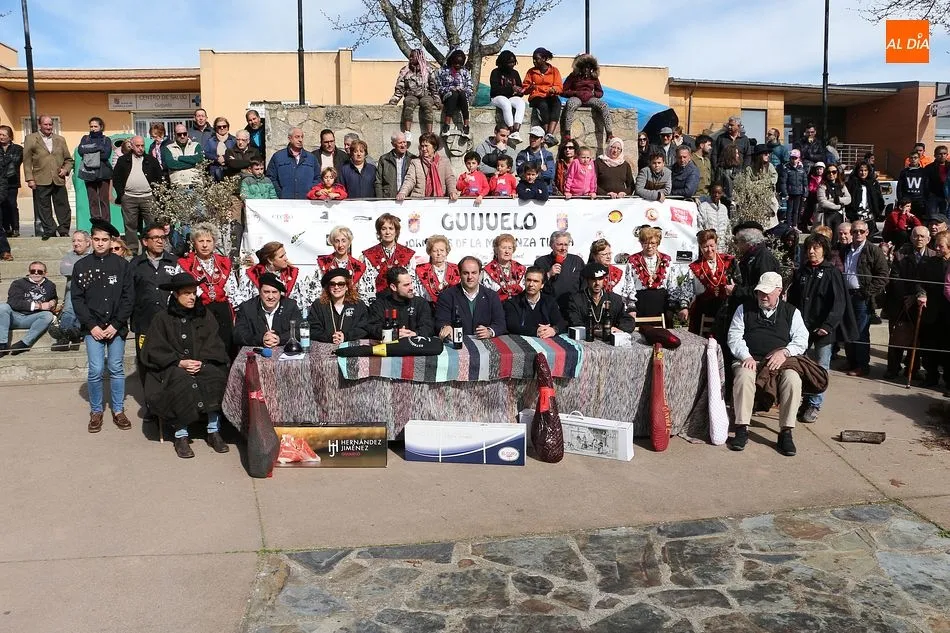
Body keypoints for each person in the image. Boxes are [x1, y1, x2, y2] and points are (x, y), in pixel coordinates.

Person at [141, 273, 230, 459]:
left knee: (214, 376)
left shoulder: (204, 315)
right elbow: (154, 348)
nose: (192, 297)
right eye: (187, 293)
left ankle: (213, 430)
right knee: (180, 381)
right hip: (172, 366)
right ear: (175, 295)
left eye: (194, 293)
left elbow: (213, 342)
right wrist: (179, 362)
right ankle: (181, 435)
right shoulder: (162, 318)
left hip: (202, 363)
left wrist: (202, 362)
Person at [727, 271, 809, 456]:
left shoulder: (791, 312)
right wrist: (746, 356)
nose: (763, 296)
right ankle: (741, 428)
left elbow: (801, 340)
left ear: (779, 291)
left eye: (767, 292)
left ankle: (786, 431)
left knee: (793, 379)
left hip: (780, 361)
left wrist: (785, 352)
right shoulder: (743, 309)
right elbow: (734, 337)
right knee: (744, 376)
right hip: (750, 358)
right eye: (760, 292)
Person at [71, 219, 134, 433]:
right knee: (96, 369)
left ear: (110, 241)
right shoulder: (81, 266)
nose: (100, 243)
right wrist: (91, 325)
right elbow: (77, 299)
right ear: (91, 240)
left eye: (104, 240)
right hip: (93, 327)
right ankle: (96, 411)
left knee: (116, 368)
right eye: (96, 239)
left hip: (116, 326)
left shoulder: (122, 265)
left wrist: (116, 324)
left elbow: (128, 298)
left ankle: (118, 410)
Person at [786, 233, 848, 423]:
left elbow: (839, 303)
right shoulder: (802, 272)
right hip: (802, 328)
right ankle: (804, 400)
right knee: (800, 365)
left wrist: (827, 326)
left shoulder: (832, 272)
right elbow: (793, 300)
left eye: (816, 248)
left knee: (821, 367)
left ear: (824, 250)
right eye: (809, 248)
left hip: (823, 329)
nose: (811, 251)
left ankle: (814, 404)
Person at [129, 222, 180, 387]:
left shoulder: (174, 262)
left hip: (171, 323)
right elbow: (129, 294)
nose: (160, 241)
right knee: (146, 362)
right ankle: (150, 398)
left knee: (171, 362)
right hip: (144, 323)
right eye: (155, 238)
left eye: (163, 237)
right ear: (145, 241)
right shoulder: (135, 265)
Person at [884, 226, 932, 380]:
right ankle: (892, 368)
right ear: (911, 238)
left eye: (923, 236)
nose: (919, 239)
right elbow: (895, 278)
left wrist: (916, 296)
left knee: (916, 339)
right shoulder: (900, 255)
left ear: (928, 239)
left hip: (920, 303)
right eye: (916, 236)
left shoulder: (932, 256)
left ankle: (912, 370)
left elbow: (932, 281)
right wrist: (907, 297)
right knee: (897, 337)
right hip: (900, 303)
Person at [841, 219, 888, 377]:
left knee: (861, 331)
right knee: (848, 329)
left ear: (867, 232)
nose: (858, 234)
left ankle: (862, 365)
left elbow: (883, 276)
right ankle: (851, 361)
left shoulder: (873, 250)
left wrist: (866, 292)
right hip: (847, 294)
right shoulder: (846, 249)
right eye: (855, 231)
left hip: (862, 296)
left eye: (861, 231)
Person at [178, 223, 235, 352]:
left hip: (223, 312)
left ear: (214, 243)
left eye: (208, 241)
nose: (205, 245)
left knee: (225, 347)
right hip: (197, 311)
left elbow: (233, 291)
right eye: (201, 241)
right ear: (194, 243)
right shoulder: (185, 264)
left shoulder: (224, 263)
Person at [24, 114, 74, 239]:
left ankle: (63, 230)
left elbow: (69, 160)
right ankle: (50, 230)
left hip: (58, 178)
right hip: (40, 178)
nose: (48, 127)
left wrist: (65, 170)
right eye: (45, 124)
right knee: (44, 207)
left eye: (50, 124)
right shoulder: (31, 138)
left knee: (63, 206)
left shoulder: (60, 139)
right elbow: (27, 161)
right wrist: (29, 179)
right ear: (40, 125)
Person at [622, 225, 685, 323]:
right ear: (641, 243)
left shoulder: (666, 259)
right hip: (640, 303)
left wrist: (671, 306)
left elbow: (672, 284)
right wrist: (631, 307)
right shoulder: (633, 260)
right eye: (645, 243)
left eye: (652, 243)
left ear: (658, 243)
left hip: (662, 303)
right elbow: (628, 284)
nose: (649, 246)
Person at [681, 229, 737, 336]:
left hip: (725, 308)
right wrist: (684, 307)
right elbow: (687, 289)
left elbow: (739, 283)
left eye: (712, 246)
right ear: (700, 247)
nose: (709, 250)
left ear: (716, 244)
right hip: (702, 309)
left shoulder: (729, 261)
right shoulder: (695, 267)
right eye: (705, 247)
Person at [112, 136, 162, 255]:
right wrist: (122, 194)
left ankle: (151, 250)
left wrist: (155, 195)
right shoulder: (123, 160)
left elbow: (159, 178)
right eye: (137, 146)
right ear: (132, 146)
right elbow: (116, 178)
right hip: (129, 197)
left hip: (148, 197)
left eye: (142, 146)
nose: (140, 148)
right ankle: (132, 251)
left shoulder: (151, 160)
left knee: (152, 225)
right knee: (130, 225)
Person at [435, 256, 506, 339]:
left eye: (474, 273)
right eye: (466, 273)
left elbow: (500, 323)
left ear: (480, 274)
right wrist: (445, 327)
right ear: (460, 274)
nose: (470, 277)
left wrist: (490, 331)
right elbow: (440, 322)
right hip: (457, 342)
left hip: (485, 342)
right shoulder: (446, 296)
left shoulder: (491, 296)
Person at [0, 260, 57, 356]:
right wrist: (39, 306)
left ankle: (24, 344)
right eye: (33, 271)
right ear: (29, 272)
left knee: (48, 315)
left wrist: (53, 302)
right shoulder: (18, 283)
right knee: (3, 307)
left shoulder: (50, 285)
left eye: (39, 271)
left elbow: (54, 297)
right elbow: (14, 302)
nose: (36, 273)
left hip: (32, 318)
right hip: (14, 317)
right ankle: (2, 344)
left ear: (45, 273)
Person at [916, 230, 950, 390]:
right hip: (932, 311)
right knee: (930, 346)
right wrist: (921, 294)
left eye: (940, 246)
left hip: (948, 312)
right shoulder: (929, 263)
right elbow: (920, 282)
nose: (936, 249)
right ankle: (931, 376)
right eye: (935, 245)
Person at [233, 272, 302, 349]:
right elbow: (238, 335)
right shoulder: (247, 308)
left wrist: (280, 339)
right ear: (259, 291)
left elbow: (300, 330)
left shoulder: (290, 306)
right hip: (257, 351)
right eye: (266, 292)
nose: (270, 297)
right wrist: (261, 339)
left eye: (274, 292)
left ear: (280, 293)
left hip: (284, 351)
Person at [49, 230, 90, 351]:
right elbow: (64, 270)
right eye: (74, 241)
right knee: (69, 310)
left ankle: (64, 335)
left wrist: (77, 268)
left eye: (79, 240)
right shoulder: (69, 256)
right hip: (73, 291)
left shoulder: (94, 255)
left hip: (90, 292)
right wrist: (87, 269)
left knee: (80, 310)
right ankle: (70, 332)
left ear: (88, 243)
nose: (75, 243)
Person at [565, 262, 635, 334]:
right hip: (585, 338)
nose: (597, 283)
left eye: (600, 279)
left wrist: (619, 329)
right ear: (587, 280)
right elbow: (575, 323)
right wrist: (599, 332)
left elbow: (628, 321)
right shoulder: (576, 299)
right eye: (593, 279)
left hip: (608, 338)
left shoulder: (614, 299)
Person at [366, 266, 434, 339]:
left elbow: (428, 327)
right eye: (406, 285)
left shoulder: (420, 303)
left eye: (411, 283)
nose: (411, 288)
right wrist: (393, 333)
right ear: (393, 287)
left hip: (415, 344)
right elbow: (372, 328)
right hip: (390, 345)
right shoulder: (379, 305)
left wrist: (415, 334)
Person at [359, 213, 416, 299]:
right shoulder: (369, 255)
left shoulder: (408, 254)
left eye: (391, 228)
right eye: (383, 229)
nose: (387, 232)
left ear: (396, 231)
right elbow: (366, 284)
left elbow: (412, 281)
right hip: (378, 301)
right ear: (379, 232)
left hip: (402, 301)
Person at [389, 48, 440, 142]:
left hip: (426, 94)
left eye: (413, 56)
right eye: (410, 57)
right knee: (408, 103)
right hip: (411, 94)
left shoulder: (429, 70)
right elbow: (400, 87)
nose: (410, 58)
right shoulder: (405, 71)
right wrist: (393, 102)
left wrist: (438, 102)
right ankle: (407, 132)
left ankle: (429, 133)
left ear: (419, 57)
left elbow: (434, 87)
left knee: (427, 104)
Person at [560, 53, 612, 142]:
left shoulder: (594, 78)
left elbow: (600, 92)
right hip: (576, 98)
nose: (586, 69)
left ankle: (609, 133)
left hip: (590, 98)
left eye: (588, 67)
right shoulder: (573, 76)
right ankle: (567, 132)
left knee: (604, 105)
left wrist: (593, 94)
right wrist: (575, 93)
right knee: (571, 104)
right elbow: (563, 91)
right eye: (584, 67)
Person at [309, 268, 369, 344]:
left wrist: (345, 336)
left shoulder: (358, 305)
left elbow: (364, 327)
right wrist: (330, 337)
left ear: (347, 287)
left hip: (351, 346)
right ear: (328, 287)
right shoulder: (318, 305)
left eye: (341, 284)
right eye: (332, 284)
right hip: (326, 346)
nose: (336, 287)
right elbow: (313, 329)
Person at [504, 266, 567, 337]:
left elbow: (561, 323)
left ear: (542, 285)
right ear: (524, 282)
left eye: (536, 281)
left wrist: (554, 330)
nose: (531, 284)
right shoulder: (513, 303)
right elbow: (511, 326)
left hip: (547, 340)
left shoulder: (549, 301)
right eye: (528, 280)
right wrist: (536, 331)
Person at [732, 224, 782, 307]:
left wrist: (736, 290)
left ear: (747, 241)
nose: (737, 246)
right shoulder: (751, 256)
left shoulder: (764, 258)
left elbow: (764, 289)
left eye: (738, 241)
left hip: (758, 309)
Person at [396, 132, 457, 200]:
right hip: (419, 201)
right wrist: (403, 192)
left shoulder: (444, 162)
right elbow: (410, 180)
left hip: (440, 201)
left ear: (434, 147)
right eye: (422, 146)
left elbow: (450, 179)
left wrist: (452, 192)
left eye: (426, 146)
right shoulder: (415, 162)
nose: (423, 149)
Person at [534, 230, 584, 310]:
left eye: (566, 245)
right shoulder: (541, 262)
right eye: (560, 244)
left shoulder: (577, 261)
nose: (563, 248)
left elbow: (584, 285)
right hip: (549, 307)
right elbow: (534, 285)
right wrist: (549, 274)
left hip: (572, 307)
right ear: (551, 245)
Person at [522, 47, 562, 147]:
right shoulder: (531, 72)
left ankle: (549, 134)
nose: (534, 61)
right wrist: (530, 88)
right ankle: (547, 133)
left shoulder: (554, 71)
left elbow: (559, 86)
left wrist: (554, 90)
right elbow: (525, 89)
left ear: (544, 59)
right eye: (533, 59)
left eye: (536, 59)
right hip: (536, 97)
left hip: (550, 95)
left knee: (557, 103)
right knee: (543, 105)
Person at [265, 128, 319, 200]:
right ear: (289, 138)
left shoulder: (311, 158)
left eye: (302, 137)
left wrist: (311, 191)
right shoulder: (278, 157)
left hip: (306, 201)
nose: (300, 140)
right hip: (285, 201)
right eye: (297, 137)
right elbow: (271, 178)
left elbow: (318, 178)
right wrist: (281, 193)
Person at [77, 117, 113, 222]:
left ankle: (106, 224)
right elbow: (81, 151)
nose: (93, 128)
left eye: (95, 126)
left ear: (101, 127)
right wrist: (98, 148)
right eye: (91, 126)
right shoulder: (85, 138)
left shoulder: (106, 140)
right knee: (92, 200)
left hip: (103, 173)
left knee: (104, 200)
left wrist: (89, 150)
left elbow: (105, 155)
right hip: (88, 172)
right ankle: (96, 223)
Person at [489, 51, 526, 141]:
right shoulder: (495, 72)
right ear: (503, 62)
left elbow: (520, 91)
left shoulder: (515, 73)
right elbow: (495, 90)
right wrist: (511, 89)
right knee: (506, 103)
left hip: (511, 97)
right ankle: (511, 130)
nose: (512, 64)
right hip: (497, 97)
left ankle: (516, 131)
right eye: (510, 62)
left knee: (521, 103)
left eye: (513, 62)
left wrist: (520, 91)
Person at [436, 49, 474, 139]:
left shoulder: (465, 72)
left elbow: (470, 88)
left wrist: (463, 90)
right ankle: (446, 125)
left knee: (461, 94)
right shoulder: (443, 71)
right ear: (452, 61)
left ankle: (466, 126)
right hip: (448, 96)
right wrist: (450, 88)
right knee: (454, 94)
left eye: (460, 64)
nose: (457, 65)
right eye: (455, 63)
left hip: (462, 98)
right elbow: (438, 87)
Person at [415, 234, 459, 304]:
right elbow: (417, 293)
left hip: (452, 306)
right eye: (435, 251)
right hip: (428, 307)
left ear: (447, 252)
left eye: (442, 250)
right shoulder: (421, 270)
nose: (439, 253)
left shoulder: (456, 269)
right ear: (429, 252)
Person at [482, 233, 526, 301]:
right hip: (497, 305)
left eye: (510, 248)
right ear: (496, 250)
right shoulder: (488, 270)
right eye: (504, 248)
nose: (507, 251)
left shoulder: (520, 269)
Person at [846, 161, 884, 233]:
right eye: (861, 170)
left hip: (870, 217)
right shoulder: (851, 184)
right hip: (856, 217)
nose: (863, 173)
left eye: (865, 170)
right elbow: (848, 201)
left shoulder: (874, 183)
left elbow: (879, 199)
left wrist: (877, 212)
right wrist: (850, 214)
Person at [516, 126, 555, 193]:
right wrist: (540, 170)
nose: (532, 139)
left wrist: (529, 172)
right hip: (527, 191)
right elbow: (520, 173)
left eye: (536, 137)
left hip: (545, 192)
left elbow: (551, 175)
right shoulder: (522, 154)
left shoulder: (548, 155)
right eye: (531, 136)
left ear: (542, 139)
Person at [376, 132, 416, 198]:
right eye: (400, 143)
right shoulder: (384, 159)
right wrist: (380, 200)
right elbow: (378, 181)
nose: (403, 145)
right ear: (393, 144)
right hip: (389, 199)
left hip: (408, 199)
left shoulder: (413, 159)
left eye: (404, 142)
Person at [0, 125, 23, 238]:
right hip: (1, 182)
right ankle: (6, 228)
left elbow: (16, 162)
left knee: (12, 204)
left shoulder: (18, 149)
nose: (1, 137)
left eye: (3, 135)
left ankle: (15, 228)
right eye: (0, 134)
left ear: (9, 136)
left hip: (12, 182)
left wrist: (4, 161)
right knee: (2, 205)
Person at [814, 164, 851, 232]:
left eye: (834, 172)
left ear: (837, 173)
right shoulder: (822, 186)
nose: (831, 174)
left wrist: (837, 199)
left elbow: (849, 199)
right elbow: (823, 202)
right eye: (829, 172)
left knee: (838, 235)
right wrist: (838, 206)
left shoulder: (842, 186)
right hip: (825, 215)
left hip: (839, 215)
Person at [779, 149, 808, 229]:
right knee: (789, 210)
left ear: (799, 159)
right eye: (792, 158)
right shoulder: (786, 169)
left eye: (795, 158)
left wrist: (805, 194)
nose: (794, 160)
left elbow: (805, 183)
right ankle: (789, 226)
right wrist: (785, 193)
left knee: (797, 210)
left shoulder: (802, 170)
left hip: (799, 193)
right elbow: (783, 182)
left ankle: (795, 225)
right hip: (790, 193)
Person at [897, 152, 928, 218]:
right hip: (907, 200)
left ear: (919, 159)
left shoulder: (923, 172)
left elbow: (926, 186)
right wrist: (900, 199)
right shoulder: (904, 172)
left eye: (915, 158)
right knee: (906, 219)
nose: (913, 159)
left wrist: (925, 200)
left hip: (919, 201)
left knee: (918, 219)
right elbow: (899, 187)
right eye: (911, 158)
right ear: (909, 159)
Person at [923, 145, 949, 217]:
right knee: (932, 216)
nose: (942, 156)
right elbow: (925, 182)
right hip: (933, 195)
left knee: (945, 216)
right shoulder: (929, 167)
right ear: (935, 155)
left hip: (946, 196)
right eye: (940, 154)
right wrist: (928, 194)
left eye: (944, 154)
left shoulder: (949, 166)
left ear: (947, 155)